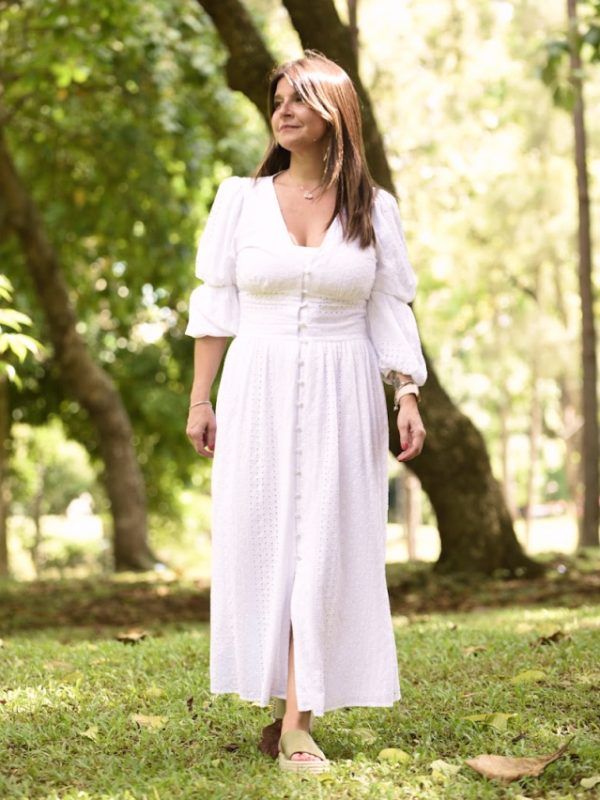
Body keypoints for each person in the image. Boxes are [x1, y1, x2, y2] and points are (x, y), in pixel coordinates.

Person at [185, 49, 427, 773]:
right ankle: (284, 699)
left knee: (324, 548)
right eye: (278, 100)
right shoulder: (240, 200)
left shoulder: (373, 208)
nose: (283, 111)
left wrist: (405, 392)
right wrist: (200, 397)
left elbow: (389, 306)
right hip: (255, 388)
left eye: (299, 99)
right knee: (267, 547)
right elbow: (216, 305)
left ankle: (298, 721)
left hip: (343, 389)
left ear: (334, 113)